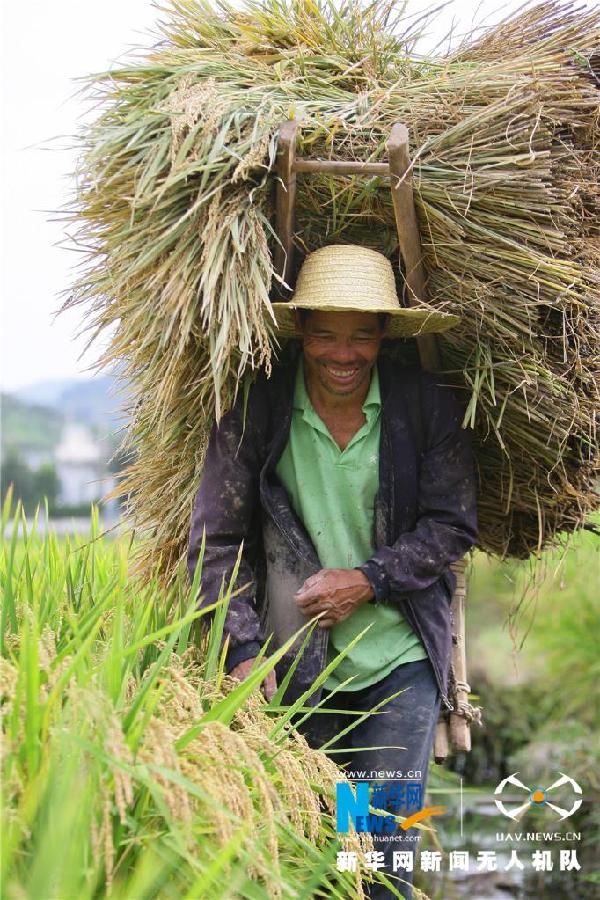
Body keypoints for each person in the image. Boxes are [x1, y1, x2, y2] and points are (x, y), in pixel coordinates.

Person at [187, 244, 478, 898]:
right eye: (325, 335)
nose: (342, 354)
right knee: (307, 847)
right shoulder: (260, 407)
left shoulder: (425, 406)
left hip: (395, 664)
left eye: (361, 337)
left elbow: (451, 524)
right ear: (300, 330)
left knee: (379, 856)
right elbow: (216, 536)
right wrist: (239, 651)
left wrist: (367, 579)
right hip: (290, 665)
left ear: (383, 337)